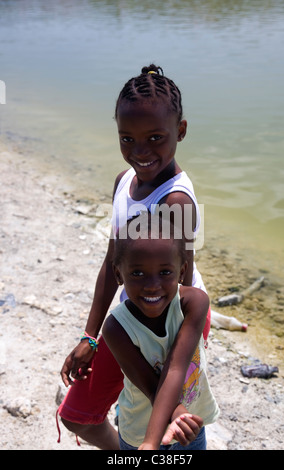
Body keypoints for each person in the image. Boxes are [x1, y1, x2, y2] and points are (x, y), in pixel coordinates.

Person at [58, 64, 212, 449]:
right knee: (78, 416)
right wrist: (90, 336)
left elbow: (177, 288)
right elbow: (112, 265)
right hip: (130, 319)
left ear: (181, 131)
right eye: (127, 139)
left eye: (156, 137)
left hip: (172, 325)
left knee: (166, 429)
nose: (140, 152)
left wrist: (168, 395)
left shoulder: (176, 202)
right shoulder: (124, 183)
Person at [102, 213, 219, 450]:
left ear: (182, 269)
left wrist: (178, 417)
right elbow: (150, 385)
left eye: (165, 272)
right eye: (137, 273)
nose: (152, 284)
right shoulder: (116, 328)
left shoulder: (193, 303)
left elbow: (176, 367)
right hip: (140, 432)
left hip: (189, 426)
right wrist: (151, 442)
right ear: (118, 274)